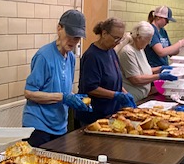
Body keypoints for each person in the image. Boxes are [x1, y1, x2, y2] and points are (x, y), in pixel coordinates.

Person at [22, 10, 91, 147]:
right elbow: (29, 93)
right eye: (70, 34)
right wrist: (63, 98)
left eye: (77, 37)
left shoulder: (71, 57)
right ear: (59, 28)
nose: (73, 41)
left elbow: (63, 90)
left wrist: (75, 99)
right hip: (38, 126)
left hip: (60, 125)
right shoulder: (44, 56)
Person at [76, 18, 136, 126]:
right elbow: (91, 88)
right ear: (104, 33)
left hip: (111, 112)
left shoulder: (111, 52)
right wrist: (116, 95)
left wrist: (124, 93)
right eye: (115, 38)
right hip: (95, 116)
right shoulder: (92, 56)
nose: (118, 42)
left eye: (120, 39)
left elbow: (114, 79)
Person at [118, 21, 177, 103]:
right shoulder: (128, 52)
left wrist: (161, 68)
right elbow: (136, 79)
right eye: (148, 40)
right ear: (138, 38)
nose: (149, 43)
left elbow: (144, 70)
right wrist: (159, 76)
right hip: (132, 99)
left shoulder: (140, 48)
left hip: (142, 97)